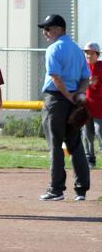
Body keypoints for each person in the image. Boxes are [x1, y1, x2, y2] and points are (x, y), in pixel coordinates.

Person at [37, 14, 90, 201]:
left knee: (55, 144)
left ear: (59, 29)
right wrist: (78, 95)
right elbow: (86, 78)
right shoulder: (77, 50)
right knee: (75, 144)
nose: (45, 32)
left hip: (57, 100)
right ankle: (81, 190)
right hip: (74, 99)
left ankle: (56, 190)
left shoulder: (54, 48)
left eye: (48, 28)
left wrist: (68, 96)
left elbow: (55, 77)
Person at [80, 42, 102, 168]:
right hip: (86, 105)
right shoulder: (83, 67)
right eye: (87, 52)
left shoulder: (101, 66)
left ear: (97, 54)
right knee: (87, 133)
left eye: (91, 53)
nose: (88, 55)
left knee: (99, 130)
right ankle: (90, 159)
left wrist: (96, 84)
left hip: (99, 106)